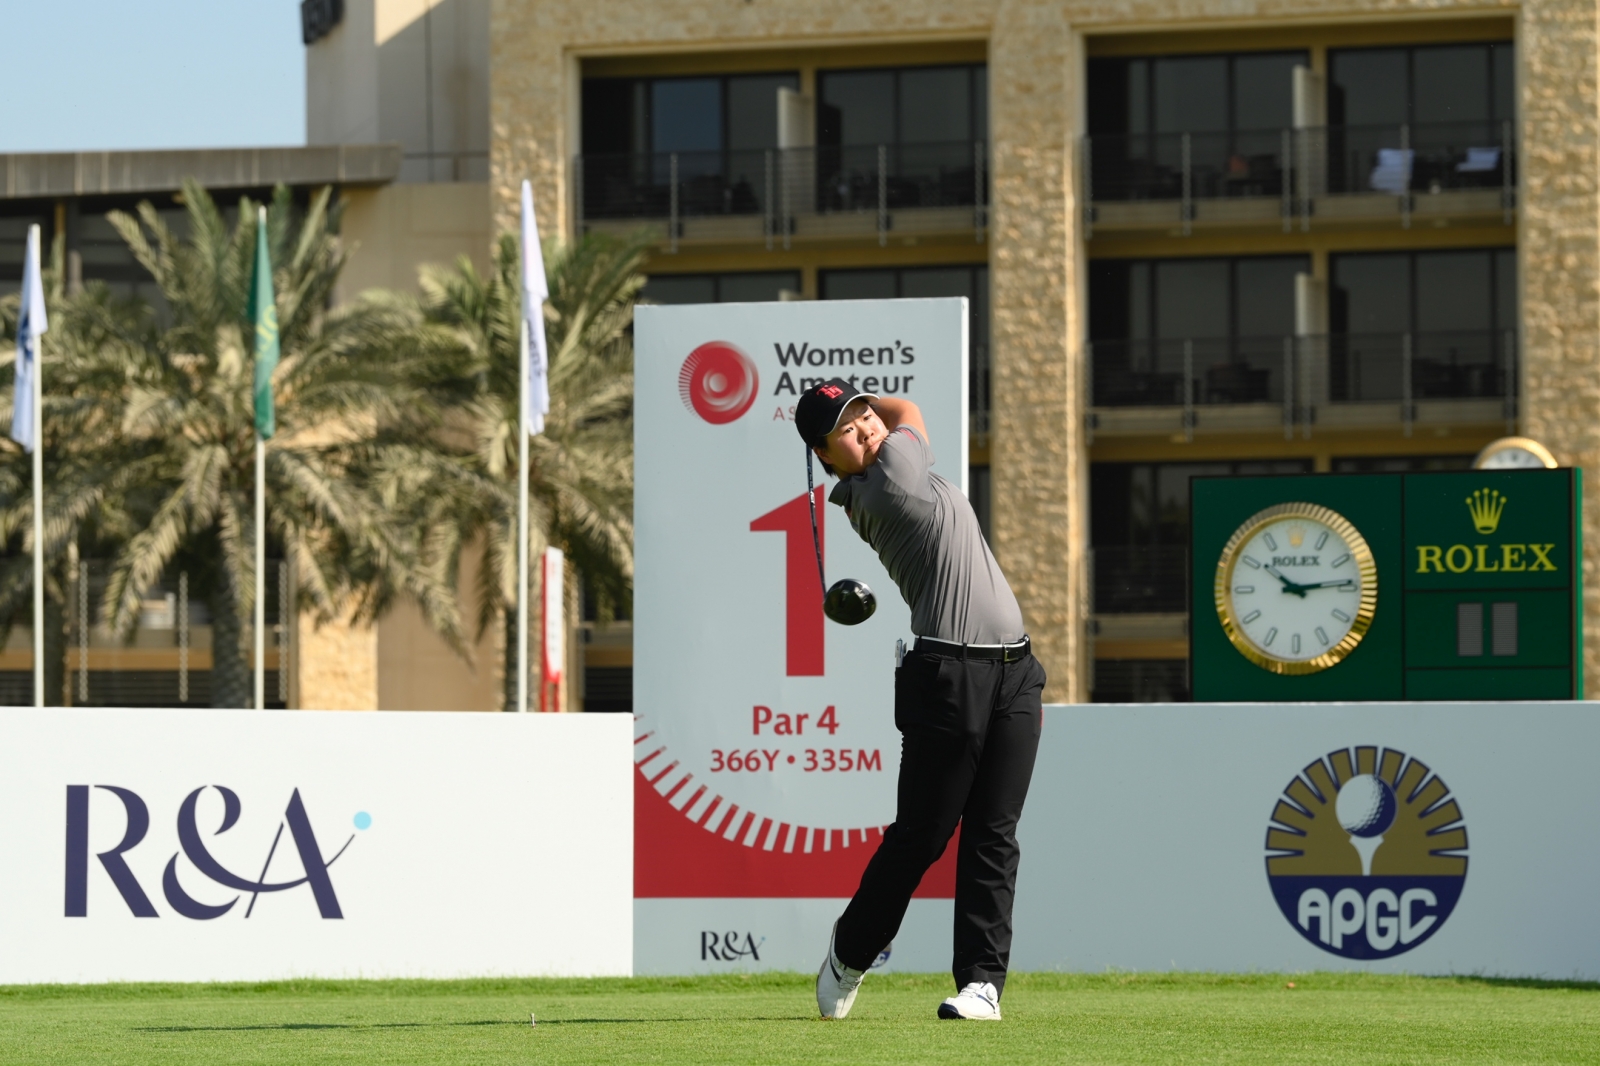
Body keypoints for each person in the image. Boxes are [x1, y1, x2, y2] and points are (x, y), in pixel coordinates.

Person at [794, 377, 1045, 1022]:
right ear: (827, 458)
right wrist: (874, 398)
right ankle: (850, 953)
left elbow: (890, 420)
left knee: (995, 832)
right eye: (847, 431)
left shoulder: (881, 471)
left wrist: (852, 403)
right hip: (949, 676)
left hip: (1015, 671)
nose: (866, 429)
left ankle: (981, 984)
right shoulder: (890, 481)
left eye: (862, 417)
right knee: (923, 837)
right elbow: (909, 410)